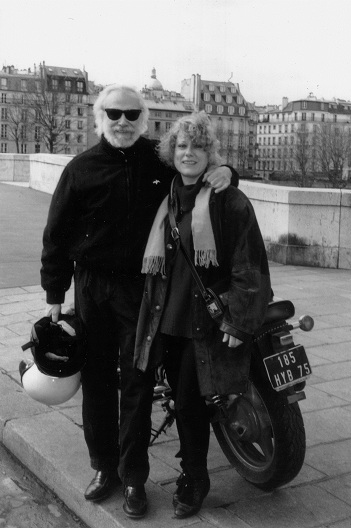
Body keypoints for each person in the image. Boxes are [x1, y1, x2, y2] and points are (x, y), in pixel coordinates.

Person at [40, 85, 237, 519]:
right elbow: (56, 235)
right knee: (96, 381)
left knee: (137, 381)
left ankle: (133, 477)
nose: (123, 121)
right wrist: (55, 294)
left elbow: (196, 166)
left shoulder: (158, 159)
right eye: (114, 113)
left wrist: (229, 173)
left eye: (132, 114)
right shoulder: (80, 168)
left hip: (141, 288)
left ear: (143, 118)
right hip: (91, 286)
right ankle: (104, 468)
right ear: (100, 117)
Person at [134, 111, 271, 518]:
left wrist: (239, 320)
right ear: (170, 152)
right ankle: (190, 470)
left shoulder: (229, 200)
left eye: (197, 146)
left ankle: (195, 478)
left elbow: (251, 266)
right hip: (168, 316)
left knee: (192, 403)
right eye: (181, 146)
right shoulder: (168, 197)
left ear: (210, 153)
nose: (188, 153)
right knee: (179, 398)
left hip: (208, 320)